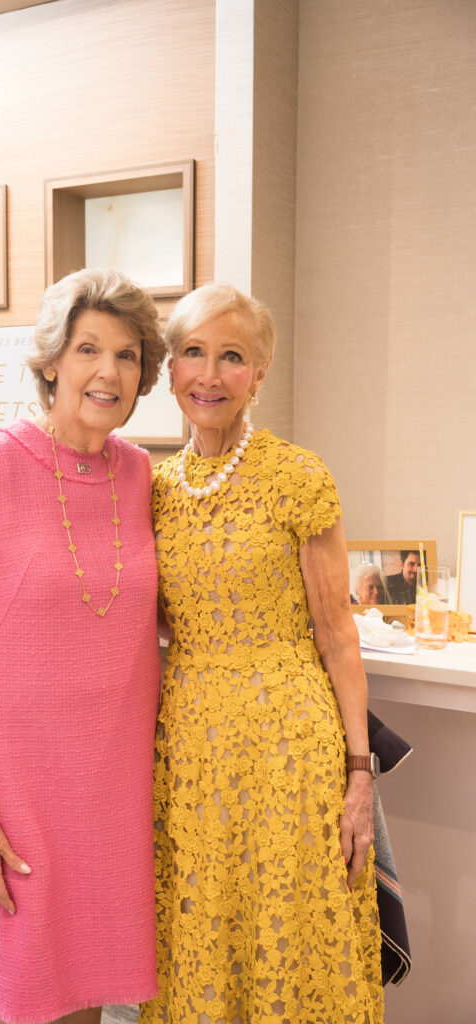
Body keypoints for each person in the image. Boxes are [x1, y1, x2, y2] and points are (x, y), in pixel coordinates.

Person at [0, 268, 167, 1024]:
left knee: (86, 983)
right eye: (89, 348)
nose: (108, 372)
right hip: (23, 785)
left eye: (127, 356)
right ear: (53, 359)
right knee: (32, 991)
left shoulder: (138, 474)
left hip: (115, 778)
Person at [140, 283, 383, 1024]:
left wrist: (358, 772)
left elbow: (337, 635)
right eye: (194, 353)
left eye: (232, 357)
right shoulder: (149, 489)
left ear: (261, 372)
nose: (210, 376)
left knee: (292, 929)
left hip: (288, 749)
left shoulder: (297, 476)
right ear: (171, 369)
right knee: (202, 926)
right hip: (188, 750)